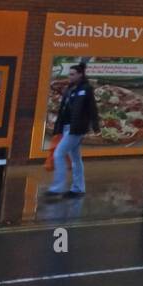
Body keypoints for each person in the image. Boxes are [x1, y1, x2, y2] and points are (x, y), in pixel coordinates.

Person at [46, 61, 100, 198]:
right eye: (69, 74)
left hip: (76, 128)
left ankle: (57, 188)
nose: (69, 77)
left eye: (72, 74)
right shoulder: (70, 89)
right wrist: (58, 127)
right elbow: (63, 109)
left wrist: (95, 126)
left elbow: (92, 108)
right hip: (66, 127)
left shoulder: (86, 89)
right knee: (75, 158)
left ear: (80, 75)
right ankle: (78, 188)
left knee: (59, 154)